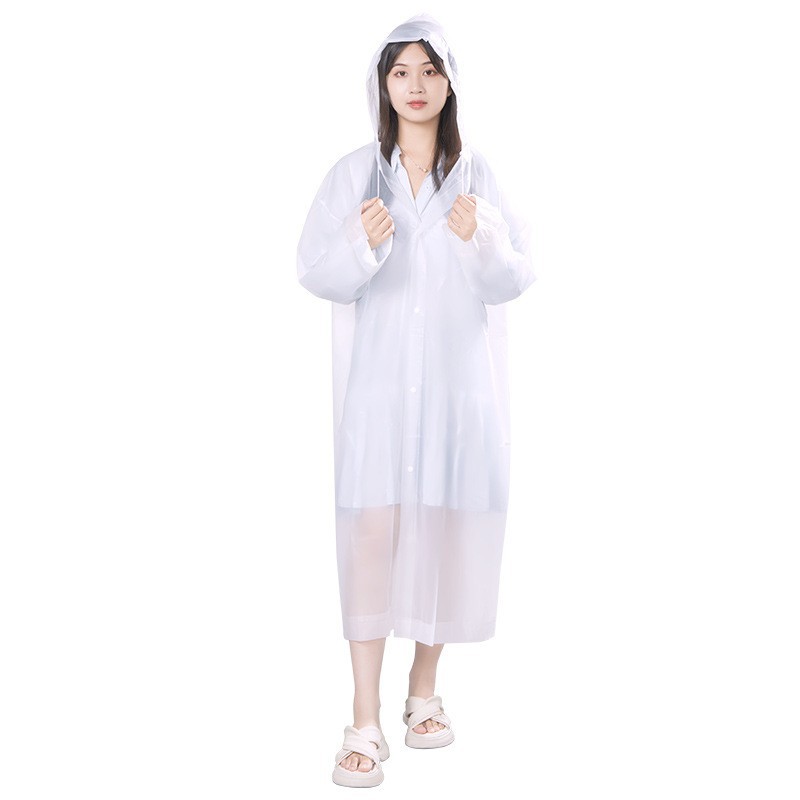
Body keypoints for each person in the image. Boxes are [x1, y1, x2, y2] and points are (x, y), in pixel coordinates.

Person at [296, 13, 537, 787]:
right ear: (383, 84)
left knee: (443, 529)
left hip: (456, 392)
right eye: (401, 71)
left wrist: (482, 238)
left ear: (450, 82)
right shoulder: (355, 177)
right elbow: (316, 272)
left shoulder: (478, 177)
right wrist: (361, 241)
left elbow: (516, 277)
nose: (416, 85)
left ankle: (424, 690)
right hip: (378, 393)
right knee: (370, 537)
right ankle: (364, 719)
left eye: (430, 70)